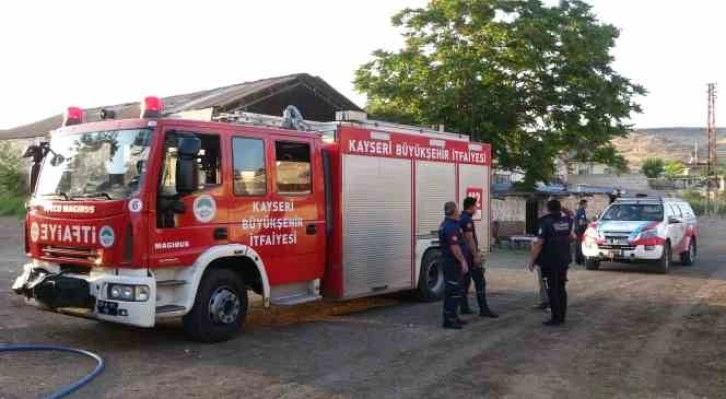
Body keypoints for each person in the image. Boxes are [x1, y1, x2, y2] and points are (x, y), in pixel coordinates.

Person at [527, 199, 574, 326]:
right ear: (559, 208)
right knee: (561, 288)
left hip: (549, 261)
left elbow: (539, 243)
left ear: (548, 209)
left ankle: (555, 318)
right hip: (563, 260)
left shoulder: (545, 223)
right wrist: (562, 208)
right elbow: (571, 215)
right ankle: (562, 316)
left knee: (552, 289)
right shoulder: (566, 221)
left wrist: (532, 261)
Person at [459, 197, 499, 318]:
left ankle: (464, 307)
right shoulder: (467, 220)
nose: (476, 208)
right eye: (475, 206)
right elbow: (469, 238)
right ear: (470, 207)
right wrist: (476, 255)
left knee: (465, 282)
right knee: (480, 282)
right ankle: (484, 309)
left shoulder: (461, 218)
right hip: (470, 256)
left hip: (464, 255)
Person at [438, 201, 469, 329]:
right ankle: (449, 320)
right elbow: (455, 247)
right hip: (452, 263)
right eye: (457, 210)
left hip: (450, 262)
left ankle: (453, 316)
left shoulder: (446, 224)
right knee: (453, 290)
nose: (459, 212)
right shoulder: (451, 227)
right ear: (453, 211)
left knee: (453, 290)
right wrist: (463, 262)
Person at [574, 199, 588, 265]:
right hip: (580, 230)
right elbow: (581, 222)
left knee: (578, 244)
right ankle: (581, 260)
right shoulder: (581, 211)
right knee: (580, 245)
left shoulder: (579, 211)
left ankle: (578, 260)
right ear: (582, 204)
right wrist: (589, 222)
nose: (586, 205)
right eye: (586, 204)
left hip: (577, 229)